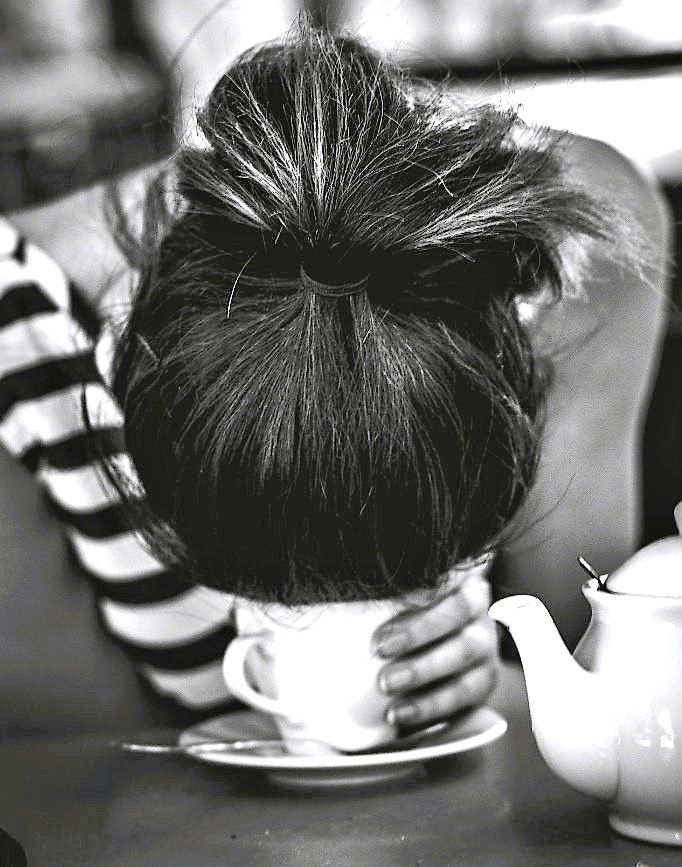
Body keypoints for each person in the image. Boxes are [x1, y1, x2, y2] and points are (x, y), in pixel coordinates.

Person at [0, 20, 670, 729]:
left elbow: (609, 707)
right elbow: (78, 794)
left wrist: (501, 679)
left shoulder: (585, 259)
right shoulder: (19, 341)